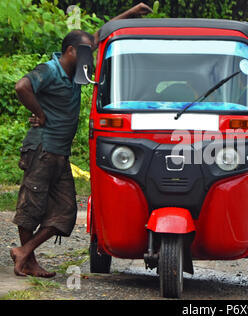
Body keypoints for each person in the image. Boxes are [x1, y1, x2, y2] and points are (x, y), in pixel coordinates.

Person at [10, 2, 152, 278]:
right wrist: (39, 113)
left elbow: (98, 36)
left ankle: (24, 251)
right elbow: (21, 86)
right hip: (42, 148)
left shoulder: (76, 71)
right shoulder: (50, 69)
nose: (92, 54)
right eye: (86, 51)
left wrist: (131, 13)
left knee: (66, 212)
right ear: (71, 51)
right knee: (31, 207)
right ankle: (28, 258)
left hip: (58, 153)